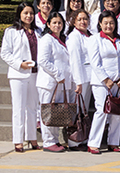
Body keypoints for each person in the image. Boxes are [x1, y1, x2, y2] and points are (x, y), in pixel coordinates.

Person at [0, 3, 40, 152]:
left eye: (31, 13)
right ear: (19, 14)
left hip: (35, 73)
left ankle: (32, 138)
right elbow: (5, 53)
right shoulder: (11, 31)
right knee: (19, 107)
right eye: (25, 13)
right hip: (18, 74)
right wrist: (19, 64)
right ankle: (18, 140)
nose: (29, 16)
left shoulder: (38, 31)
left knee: (32, 108)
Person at [87, 11, 120, 154]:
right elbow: (94, 62)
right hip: (101, 82)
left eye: (111, 23)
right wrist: (106, 79)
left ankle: (113, 142)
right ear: (100, 24)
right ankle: (93, 143)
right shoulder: (95, 39)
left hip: (118, 81)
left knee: (117, 112)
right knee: (101, 111)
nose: (109, 26)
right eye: (106, 23)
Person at [36, 12, 72, 152]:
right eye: (54, 23)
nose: (57, 25)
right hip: (49, 82)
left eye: (60, 23)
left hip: (60, 83)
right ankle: (48, 141)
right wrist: (58, 74)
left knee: (56, 112)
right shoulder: (46, 39)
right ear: (48, 24)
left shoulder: (61, 39)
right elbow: (43, 61)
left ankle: (55, 140)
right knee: (48, 111)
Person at [66, 9, 93, 150]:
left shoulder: (88, 35)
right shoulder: (73, 37)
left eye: (85, 19)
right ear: (74, 21)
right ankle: (73, 141)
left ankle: (81, 138)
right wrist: (78, 82)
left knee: (84, 110)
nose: (83, 22)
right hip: (80, 79)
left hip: (88, 77)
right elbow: (74, 61)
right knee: (76, 111)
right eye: (80, 19)